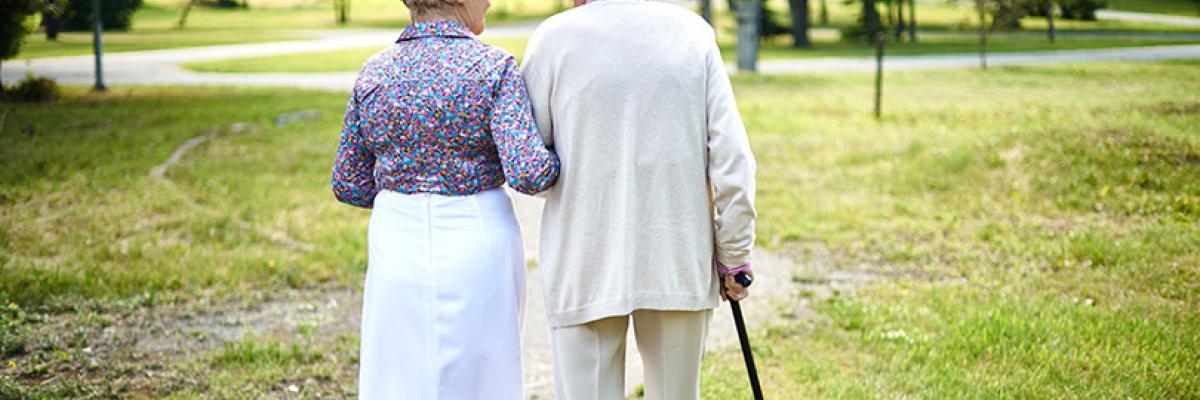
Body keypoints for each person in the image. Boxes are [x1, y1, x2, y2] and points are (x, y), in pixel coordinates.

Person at [520, 0, 757, 398]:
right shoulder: (692, 34)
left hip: (584, 256)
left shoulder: (552, 39)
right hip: (675, 253)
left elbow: (529, 164)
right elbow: (733, 162)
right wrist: (734, 254)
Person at [329, 0, 559, 396]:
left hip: (396, 238)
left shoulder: (374, 72)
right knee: (484, 371)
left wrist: (406, 185)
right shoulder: (493, 68)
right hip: (478, 236)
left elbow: (348, 180)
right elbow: (529, 172)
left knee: (397, 371)